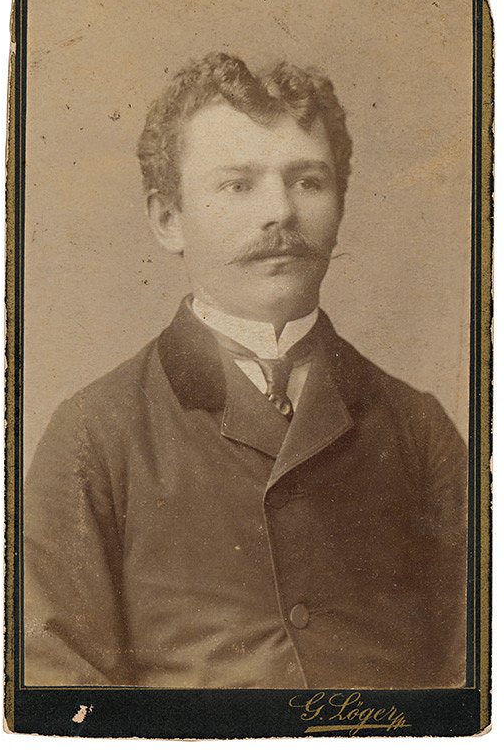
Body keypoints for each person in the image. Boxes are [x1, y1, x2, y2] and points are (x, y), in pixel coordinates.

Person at [24, 52, 467, 689]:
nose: (281, 212)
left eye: (308, 181)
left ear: (340, 205)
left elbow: (481, 671)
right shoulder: (95, 434)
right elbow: (55, 683)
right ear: (168, 219)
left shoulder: (417, 428)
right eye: (238, 185)